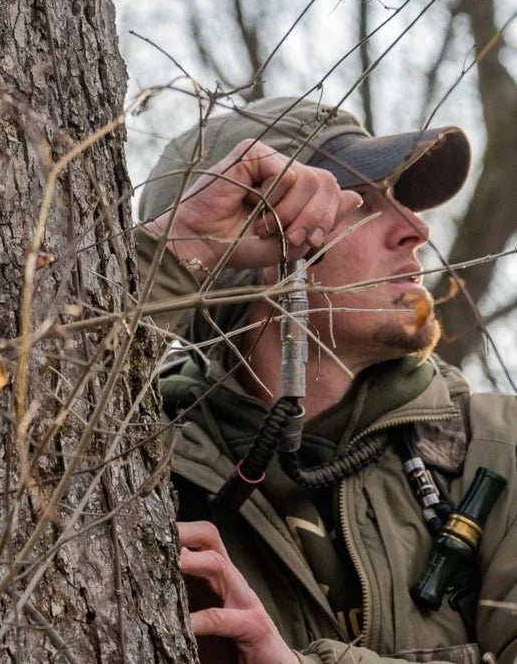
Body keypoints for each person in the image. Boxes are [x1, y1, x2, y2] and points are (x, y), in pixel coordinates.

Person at [137, 94, 517, 664]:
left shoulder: (501, 446)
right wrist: (176, 255)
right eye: (361, 203)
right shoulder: (136, 469)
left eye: (400, 201)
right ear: (252, 252)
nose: (415, 228)